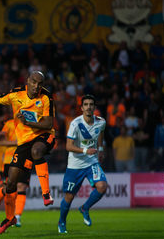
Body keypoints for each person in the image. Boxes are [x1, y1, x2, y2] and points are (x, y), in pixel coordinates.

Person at [0, 71, 55, 234]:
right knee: (10, 183)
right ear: (28, 81)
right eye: (34, 82)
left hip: (44, 136)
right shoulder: (16, 93)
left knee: (37, 151)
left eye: (40, 83)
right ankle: (10, 218)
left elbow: (48, 123)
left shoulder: (46, 97)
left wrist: (28, 122)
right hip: (23, 144)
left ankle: (46, 193)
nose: (37, 86)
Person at [58, 95, 107, 234]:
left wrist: (101, 149)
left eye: (91, 104)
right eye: (86, 104)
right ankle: (62, 222)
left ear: (94, 107)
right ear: (82, 108)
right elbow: (68, 146)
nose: (89, 107)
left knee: (102, 186)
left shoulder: (101, 122)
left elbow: (100, 133)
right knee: (69, 197)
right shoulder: (75, 124)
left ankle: (85, 208)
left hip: (91, 163)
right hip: (75, 165)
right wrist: (86, 150)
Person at [0, 118, 30, 228]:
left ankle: (17, 217)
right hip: (9, 159)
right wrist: (17, 143)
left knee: (21, 187)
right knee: (9, 186)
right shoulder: (9, 123)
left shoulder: (31, 123)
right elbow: (0, 141)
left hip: (26, 159)